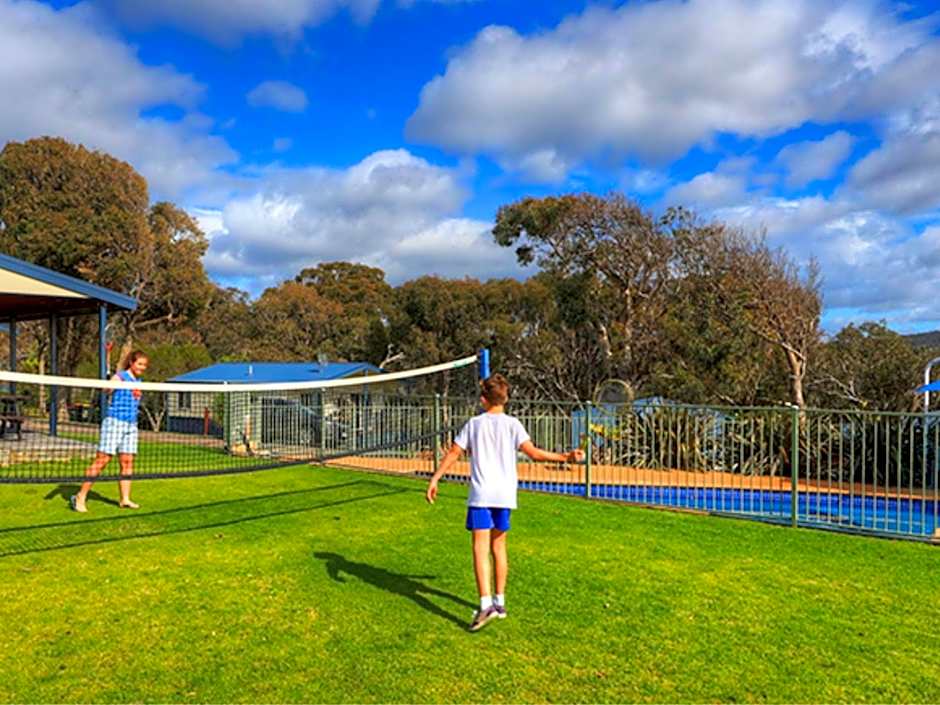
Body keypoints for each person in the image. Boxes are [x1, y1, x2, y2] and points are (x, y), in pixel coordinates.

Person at [426, 373, 583, 631]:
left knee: (479, 547)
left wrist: (435, 478)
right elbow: (533, 453)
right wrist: (564, 456)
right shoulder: (513, 425)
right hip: (505, 495)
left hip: (482, 495)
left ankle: (486, 604)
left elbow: (455, 452)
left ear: (483, 399)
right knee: (499, 547)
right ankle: (500, 604)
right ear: (505, 398)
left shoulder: (474, 424)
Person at [70, 350, 149, 513]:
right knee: (102, 460)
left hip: (131, 425)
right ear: (131, 363)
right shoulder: (120, 377)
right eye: (140, 363)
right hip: (114, 423)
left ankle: (125, 499)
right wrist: (111, 384)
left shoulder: (139, 381)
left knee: (127, 462)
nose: (142, 367)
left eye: (144, 365)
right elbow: (107, 390)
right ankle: (80, 496)